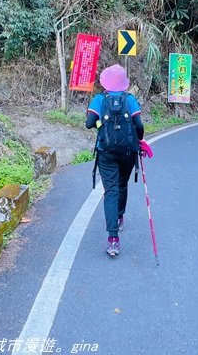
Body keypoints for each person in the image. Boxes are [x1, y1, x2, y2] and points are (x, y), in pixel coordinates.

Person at [85, 64, 144, 257]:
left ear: (105, 83)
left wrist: (103, 126)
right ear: (124, 84)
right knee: (122, 185)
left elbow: (88, 124)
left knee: (110, 191)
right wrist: (139, 141)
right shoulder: (130, 100)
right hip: (127, 152)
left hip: (106, 151)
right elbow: (139, 126)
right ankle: (119, 217)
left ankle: (113, 240)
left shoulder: (99, 99)